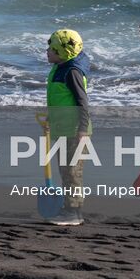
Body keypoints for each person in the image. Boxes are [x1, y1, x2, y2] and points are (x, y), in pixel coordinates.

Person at [45, 28, 91, 227]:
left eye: (52, 49)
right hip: (62, 127)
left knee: (73, 171)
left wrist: (82, 129)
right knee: (65, 170)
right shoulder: (59, 67)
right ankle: (68, 207)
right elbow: (60, 98)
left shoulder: (72, 72)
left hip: (74, 131)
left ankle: (74, 212)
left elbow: (82, 101)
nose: (47, 51)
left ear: (63, 53)